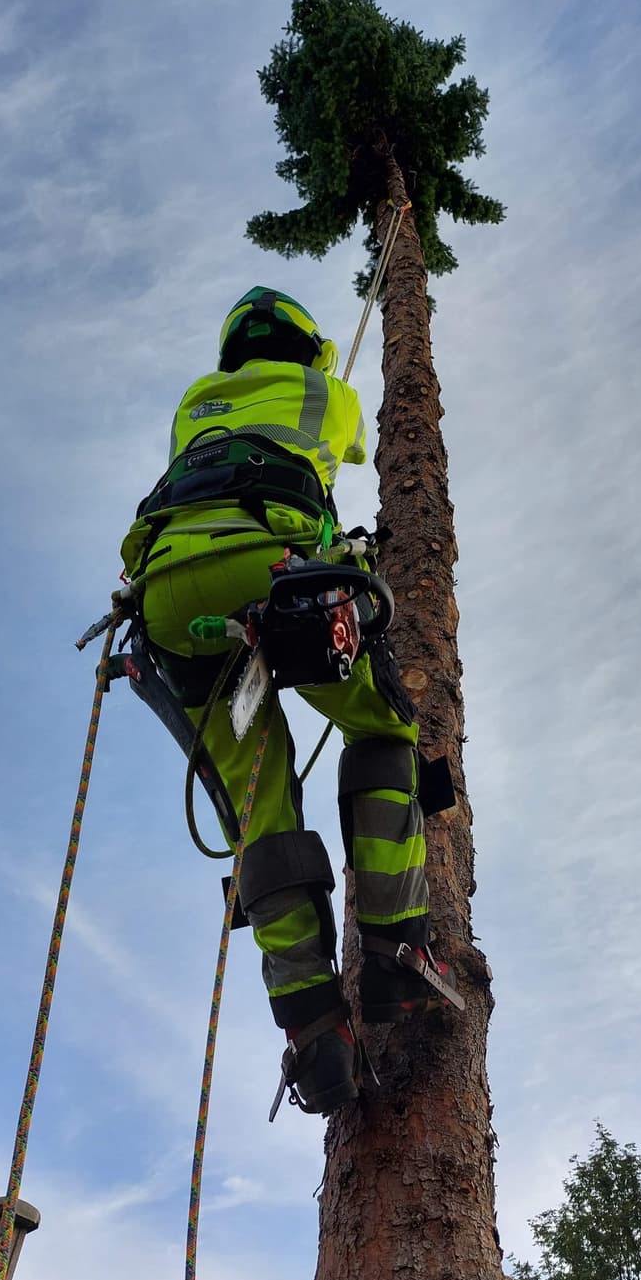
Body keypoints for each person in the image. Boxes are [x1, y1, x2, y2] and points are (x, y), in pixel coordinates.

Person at [119, 287, 458, 1118]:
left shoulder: (196, 402)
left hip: (165, 602)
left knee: (259, 809)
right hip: (273, 569)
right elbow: (342, 449)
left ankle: (313, 1032)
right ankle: (394, 949)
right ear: (308, 346)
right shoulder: (325, 391)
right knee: (382, 730)